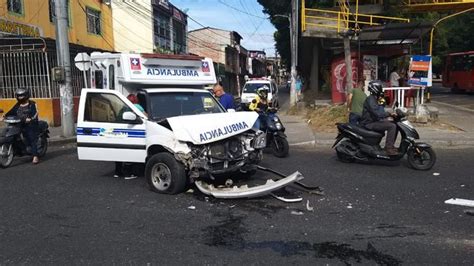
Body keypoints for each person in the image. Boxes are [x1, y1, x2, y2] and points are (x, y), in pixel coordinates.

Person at [0, 88, 40, 164]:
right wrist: (4, 116)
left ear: (26, 95)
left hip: (31, 123)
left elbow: (35, 113)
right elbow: (11, 111)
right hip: (20, 123)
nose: (20, 97)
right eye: (19, 96)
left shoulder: (32, 104)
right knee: (11, 134)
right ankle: (17, 149)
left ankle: (35, 156)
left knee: (31, 137)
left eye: (22, 96)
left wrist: (30, 119)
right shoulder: (18, 105)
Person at [360, 81, 398, 156]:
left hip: (374, 121)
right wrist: (389, 114)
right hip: (369, 123)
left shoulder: (375, 98)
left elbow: (381, 108)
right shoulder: (370, 99)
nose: (382, 89)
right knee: (392, 126)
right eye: (380, 87)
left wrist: (389, 114)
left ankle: (390, 146)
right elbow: (377, 113)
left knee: (393, 124)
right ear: (376, 88)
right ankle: (388, 148)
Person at [114, 93, 146, 179]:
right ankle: (128, 173)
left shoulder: (123, 108)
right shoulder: (137, 106)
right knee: (131, 151)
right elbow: (146, 117)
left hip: (119, 131)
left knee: (119, 151)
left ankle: (117, 172)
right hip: (132, 131)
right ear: (135, 100)